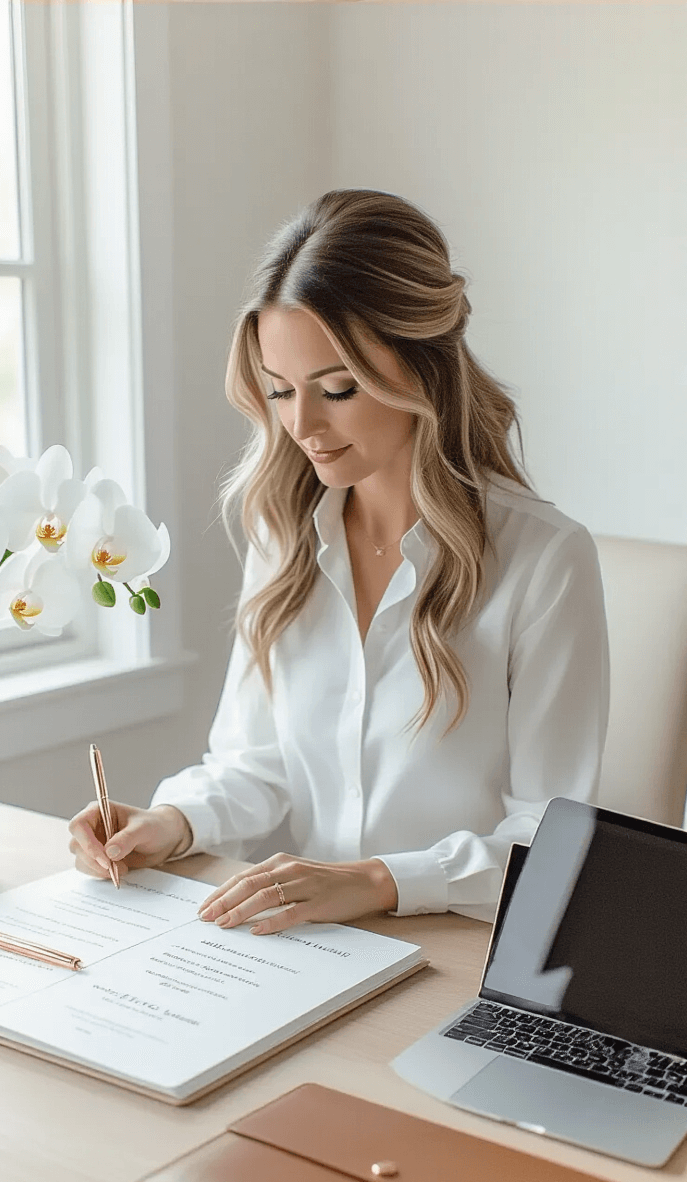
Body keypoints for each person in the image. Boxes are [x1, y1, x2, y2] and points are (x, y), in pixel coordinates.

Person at [69, 189, 609, 931]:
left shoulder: (545, 561)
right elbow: (256, 763)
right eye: (281, 391)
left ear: (424, 365)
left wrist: (379, 881)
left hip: (466, 947)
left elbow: (551, 846)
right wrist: (172, 821)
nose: (300, 425)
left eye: (337, 389)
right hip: (313, 943)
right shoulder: (282, 534)